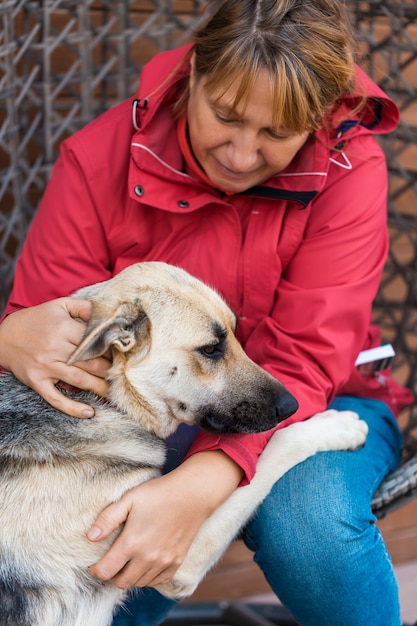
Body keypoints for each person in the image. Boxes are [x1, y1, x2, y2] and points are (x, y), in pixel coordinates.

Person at [0, 0, 413, 624]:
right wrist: (11, 336)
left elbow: (305, 357)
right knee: (115, 555)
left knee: (309, 527)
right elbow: (51, 344)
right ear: (193, 73)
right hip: (140, 409)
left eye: (277, 134)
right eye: (225, 116)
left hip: (320, 394)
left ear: (320, 119)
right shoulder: (99, 158)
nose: (242, 155)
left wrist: (203, 481)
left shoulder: (350, 170)